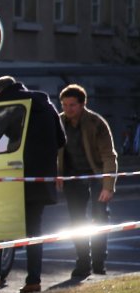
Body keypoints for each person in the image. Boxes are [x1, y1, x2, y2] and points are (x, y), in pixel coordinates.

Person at [0, 76, 65, 293]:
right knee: (35, 231)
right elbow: (62, 140)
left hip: (16, 175)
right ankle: (34, 280)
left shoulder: (10, 103)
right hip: (42, 178)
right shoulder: (45, 103)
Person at [58, 84, 119, 279]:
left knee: (99, 217)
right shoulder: (59, 122)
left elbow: (109, 156)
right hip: (73, 177)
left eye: (72, 105)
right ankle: (83, 261)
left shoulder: (96, 123)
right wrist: (58, 174)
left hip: (96, 175)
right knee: (76, 219)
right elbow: (53, 151)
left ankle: (99, 262)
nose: (67, 109)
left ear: (83, 104)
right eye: (64, 105)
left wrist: (108, 186)